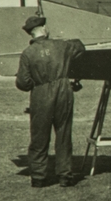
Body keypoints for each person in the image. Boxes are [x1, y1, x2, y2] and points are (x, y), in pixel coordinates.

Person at [15, 15, 86, 188]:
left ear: (31, 33)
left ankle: (38, 177)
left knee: (39, 136)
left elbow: (23, 83)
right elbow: (80, 47)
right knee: (63, 133)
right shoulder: (61, 46)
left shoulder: (27, 53)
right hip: (63, 91)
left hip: (41, 94)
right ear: (44, 29)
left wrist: (36, 83)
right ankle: (65, 176)